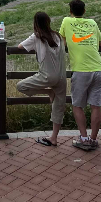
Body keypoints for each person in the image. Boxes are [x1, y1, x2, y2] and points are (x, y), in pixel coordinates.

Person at [16, 11, 68, 147]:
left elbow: (20, 46)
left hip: (47, 76)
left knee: (21, 86)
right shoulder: (58, 36)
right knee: (59, 106)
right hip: (62, 76)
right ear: (48, 21)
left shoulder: (37, 37)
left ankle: (48, 91)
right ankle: (54, 137)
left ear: (35, 24)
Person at [60, 0, 101, 151]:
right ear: (84, 11)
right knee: (96, 105)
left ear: (70, 11)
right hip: (98, 68)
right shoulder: (92, 23)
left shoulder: (66, 21)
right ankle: (93, 139)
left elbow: (62, 42)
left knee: (77, 105)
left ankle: (84, 138)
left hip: (80, 70)